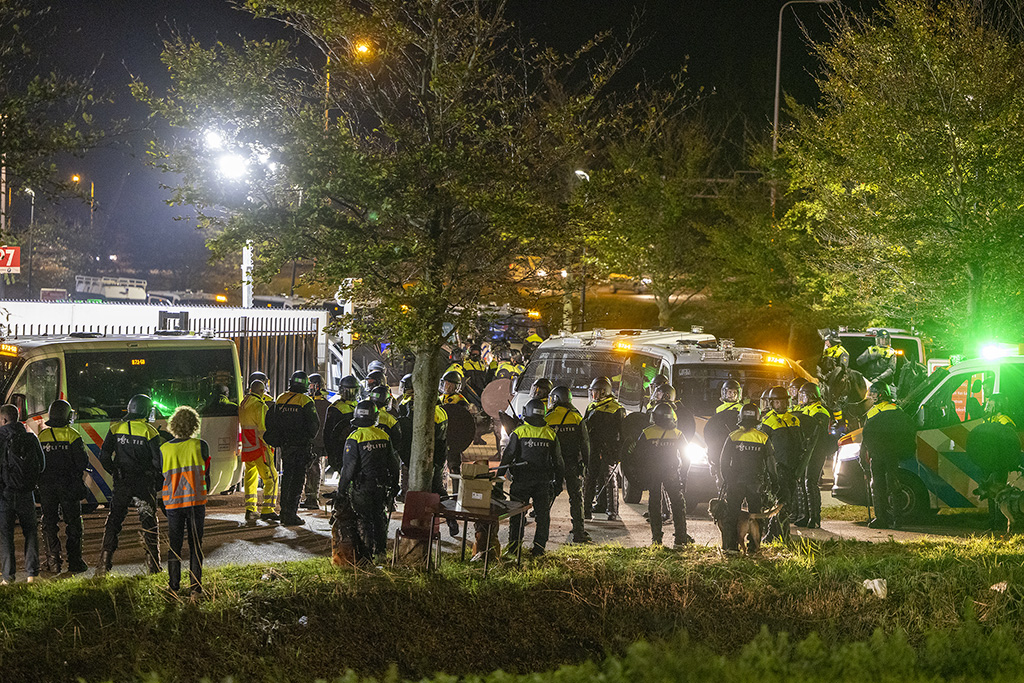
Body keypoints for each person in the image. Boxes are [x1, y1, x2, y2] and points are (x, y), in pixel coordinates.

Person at [96, 394, 163, 576]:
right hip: (143, 483)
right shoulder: (150, 431)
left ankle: (103, 565)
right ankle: (153, 566)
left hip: (122, 483)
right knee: (148, 521)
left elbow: (104, 456)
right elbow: (157, 461)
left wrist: (115, 472)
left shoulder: (116, 428)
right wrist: (158, 478)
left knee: (114, 520)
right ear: (145, 410)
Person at [501, 398, 564, 557]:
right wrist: (558, 484)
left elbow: (508, 455)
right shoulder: (550, 433)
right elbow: (558, 462)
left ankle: (514, 548)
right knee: (543, 517)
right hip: (543, 482)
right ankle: (539, 548)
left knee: (517, 516)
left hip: (521, 481)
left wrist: (498, 479)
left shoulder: (519, 432)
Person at [338, 400, 400, 562]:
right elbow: (394, 464)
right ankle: (381, 552)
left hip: (362, 487)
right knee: (379, 517)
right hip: (381, 486)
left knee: (364, 520)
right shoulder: (383, 435)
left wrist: (341, 490)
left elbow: (349, 468)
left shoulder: (355, 437)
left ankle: (366, 556)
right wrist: (395, 484)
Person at [158, 406, 210, 595]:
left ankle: (173, 586)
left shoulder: (164, 449)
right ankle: (196, 587)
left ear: (173, 425)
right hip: (196, 502)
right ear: (194, 425)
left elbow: (160, 474)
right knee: (196, 545)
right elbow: (207, 474)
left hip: (173, 503)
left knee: (175, 545)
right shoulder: (201, 445)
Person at [38, 400, 90, 574]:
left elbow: (37, 463)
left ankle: (53, 562)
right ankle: (75, 562)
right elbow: (82, 462)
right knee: (73, 523)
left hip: (47, 487)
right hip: (69, 486)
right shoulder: (73, 435)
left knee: (49, 522)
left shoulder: (42, 436)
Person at [633, 402, 693, 547]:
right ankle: (681, 538)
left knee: (654, 504)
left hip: (653, 473)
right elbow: (686, 458)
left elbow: (637, 456)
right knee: (678, 504)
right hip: (671, 473)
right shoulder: (677, 434)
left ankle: (656, 539)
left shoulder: (647, 433)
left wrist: (641, 475)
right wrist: (683, 476)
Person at [719, 403, 776, 551]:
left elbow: (723, 462)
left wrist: (727, 479)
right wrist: (774, 482)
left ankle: (731, 547)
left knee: (732, 514)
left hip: (735, 483)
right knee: (756, 515)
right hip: (755, 484)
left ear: (740, 417)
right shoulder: (763, 438)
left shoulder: (733, 436)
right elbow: (771, 464)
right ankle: (753, 547)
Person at [268, 371, 321, 526]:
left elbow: (271, 420)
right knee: (297, 480)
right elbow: (314, 425)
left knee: (286, 478)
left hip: (285, 446)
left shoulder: (281, 398)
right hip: (300, 447)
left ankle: (284, 512)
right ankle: (291, 514)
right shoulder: (305, 400)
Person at [860, 382, 916, 529]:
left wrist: (863, 455)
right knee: (892, 484)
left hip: (879, 455)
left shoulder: (875, 412)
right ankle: (896, 520)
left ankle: (882, 518)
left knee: (879, 486)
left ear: (881, 394)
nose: (871, 396)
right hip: (890, 454)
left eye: (874, 393)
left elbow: (866, 437)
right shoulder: (897, 410)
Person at [0, 404, 44, 584]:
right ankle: (32, 575)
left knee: (6, 536)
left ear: (3, 420)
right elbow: (42, 465)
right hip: (26, 493)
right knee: (31, 533)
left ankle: (7, 577)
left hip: (4, 495)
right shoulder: (30, 437)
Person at [546, 385, 591, 543]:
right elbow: (585, 443)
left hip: (553, 464)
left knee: (549, 495)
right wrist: (586, 464)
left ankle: (542, 531)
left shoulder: (548, 417)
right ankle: (579, 532)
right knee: (576, 497)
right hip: (572, 463)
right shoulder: (576, 417)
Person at [759, 385, 804, 542]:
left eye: (783, 402)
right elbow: (763, 446)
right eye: (777, 402)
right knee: (783, 502)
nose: (781, 405)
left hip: (793, 467)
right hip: (778, 467)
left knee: (786, 502)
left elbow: (800, 443)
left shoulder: (794, 420)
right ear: (772, 403)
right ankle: (782, 536)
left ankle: (772, 534)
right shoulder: (767, 422)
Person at [583, 376, 625, 521]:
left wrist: (619, 452)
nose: (593, 395)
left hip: (609, 448)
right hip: (593, 447)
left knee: (609, 479)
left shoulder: (616, 408)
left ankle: (612, 511)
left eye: (595, 391)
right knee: (590, 477)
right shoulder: (591, 407)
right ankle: (587, 509)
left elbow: (623, 433)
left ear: (603, 392)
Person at [239, 379, 279, 522]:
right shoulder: (260, 406)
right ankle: (268, 509)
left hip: (247, 447)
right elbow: (262, 429)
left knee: (250, 478)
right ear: (262, 391)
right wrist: (270, 444)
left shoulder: (244, 403)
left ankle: (250, 509)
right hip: (260, 448)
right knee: (272, 478)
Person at [794, 382, 832, 529]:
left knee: (810, 482)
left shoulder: (820, 411)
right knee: (801, 482)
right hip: (805, 451)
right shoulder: (804, 410)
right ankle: (804, 516)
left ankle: (814, 518)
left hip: (816, 451)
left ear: (811, 396)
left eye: (803, 395)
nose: (801, 398)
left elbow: (817, 434)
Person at [704, 379, 744, 489]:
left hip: (737, 444)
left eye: (734, 392)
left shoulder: (742, 408)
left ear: (738, 394)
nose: (731, 395)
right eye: (729, 392)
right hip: (721, 444)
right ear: (724, 393)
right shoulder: (718, 409)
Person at [439, 369, 472, 493]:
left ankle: (456, 493)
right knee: (439, 467)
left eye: (450, 384)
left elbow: (464, 421)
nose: (446, 387)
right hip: (441, 437)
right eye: (445, 383)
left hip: (454, 438)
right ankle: (442, 491)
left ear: (455, 386)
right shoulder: (439, 398)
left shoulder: (460, 400)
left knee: (454, 467)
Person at [303, 373, 332, 510]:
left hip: (315, 442)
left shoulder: (317, 404)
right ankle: (310, 497)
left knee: (313, 469)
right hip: (316, 442)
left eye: (312, 385)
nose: (310, 388)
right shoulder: (327, 405)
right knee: (312, 469)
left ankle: (312, 498)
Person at [325, 375, 359, 472]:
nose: (351, 393)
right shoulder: (336, 408)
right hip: (342, 447)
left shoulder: (357, 405)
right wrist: (331, 453)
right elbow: (329, 433)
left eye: (353, 390)